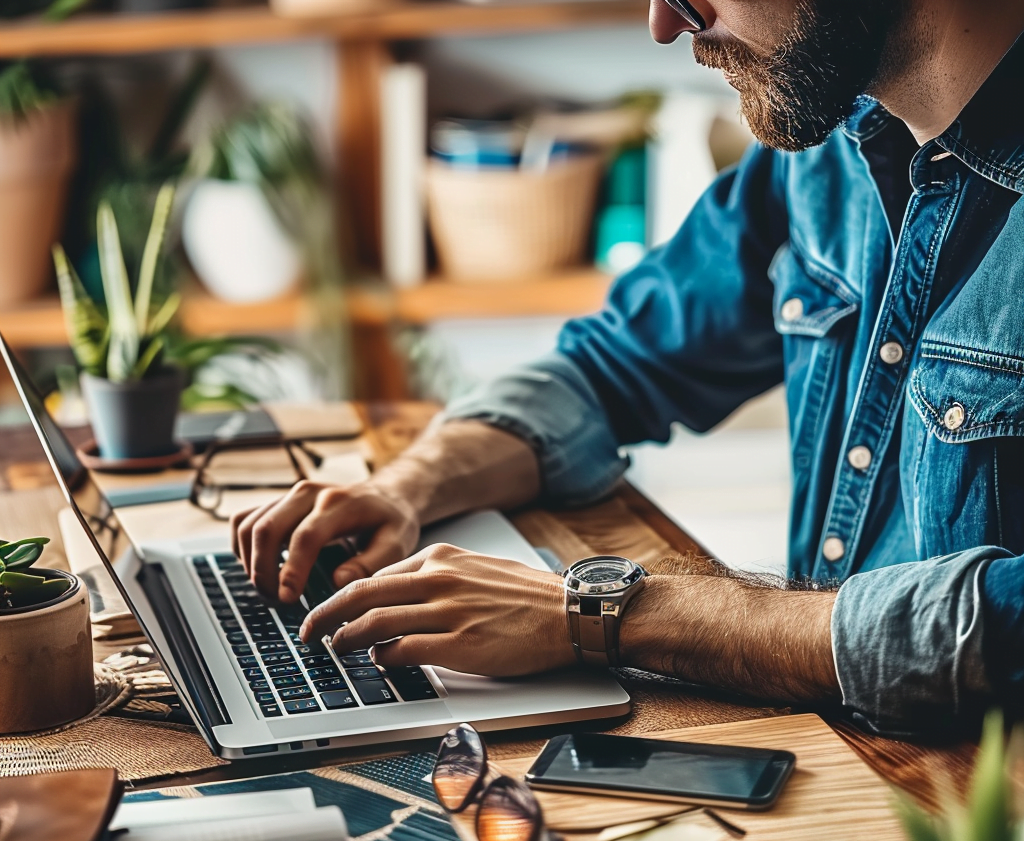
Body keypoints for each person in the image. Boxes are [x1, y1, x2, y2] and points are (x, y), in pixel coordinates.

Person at [233, 0, 1024, 740]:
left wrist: (609, 613)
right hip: (846, 750)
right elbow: (623, 359)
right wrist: (412, 484)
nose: (662, 23)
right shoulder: (838, 145)